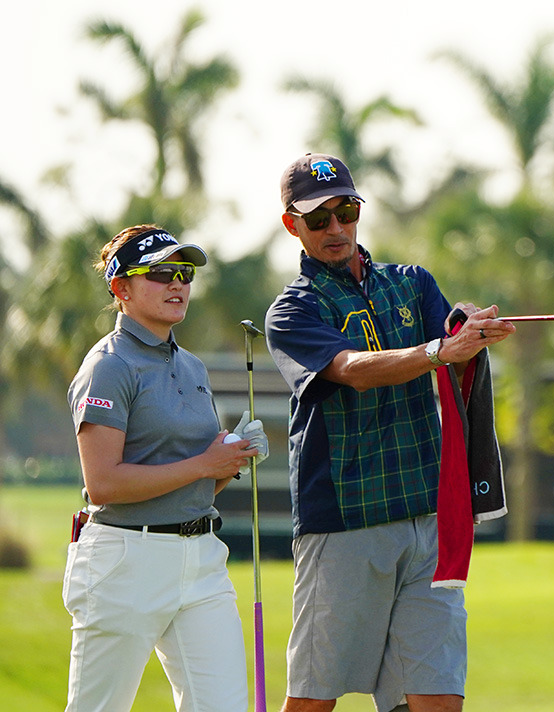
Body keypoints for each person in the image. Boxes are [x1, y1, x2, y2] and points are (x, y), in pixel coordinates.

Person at [265, 153, 515, 712]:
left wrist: (466, 327)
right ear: (292, 225)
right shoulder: (292, 310)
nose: (336, 228)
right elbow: (351, 370)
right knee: (313, 701)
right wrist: (438, 350)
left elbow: (451, 344)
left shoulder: (412, 283)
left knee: (436, 701)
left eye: (346, 212)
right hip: (345, 522)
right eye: (318, 218)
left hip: (427, 519)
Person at [63, 224, 269, 712]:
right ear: (121, 287)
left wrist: (231, 460)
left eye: (184, 273)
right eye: (159, 274)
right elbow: (103, 483)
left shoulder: (193, 367)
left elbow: (197, 485)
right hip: (125, 561)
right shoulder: (109, 366)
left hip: (201, 559)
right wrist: (204, 463)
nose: (177, 283)